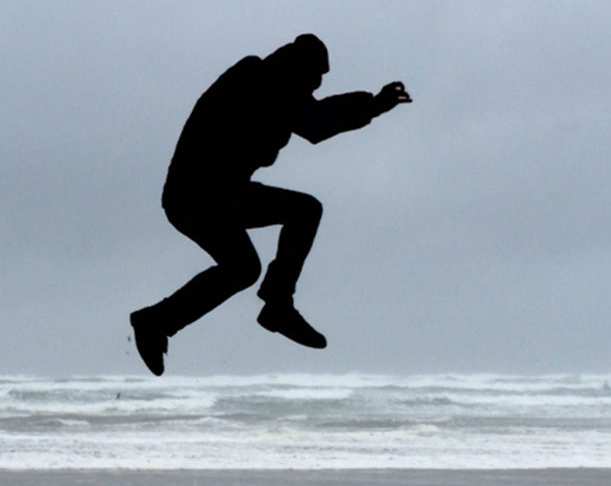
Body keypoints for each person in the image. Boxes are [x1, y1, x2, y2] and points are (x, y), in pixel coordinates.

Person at [129, 33, 408, 376]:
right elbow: (316, 123)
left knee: (243, 268)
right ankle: (277, 306)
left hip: (208, 195)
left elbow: (313, 115)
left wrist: (372, 104)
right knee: (304, 211)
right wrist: (374, 104)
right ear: (298, 67)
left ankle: (156, 321)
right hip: (201, 194)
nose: (317, 85)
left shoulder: (272, 82)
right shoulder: (260, 81)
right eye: (315, 76)